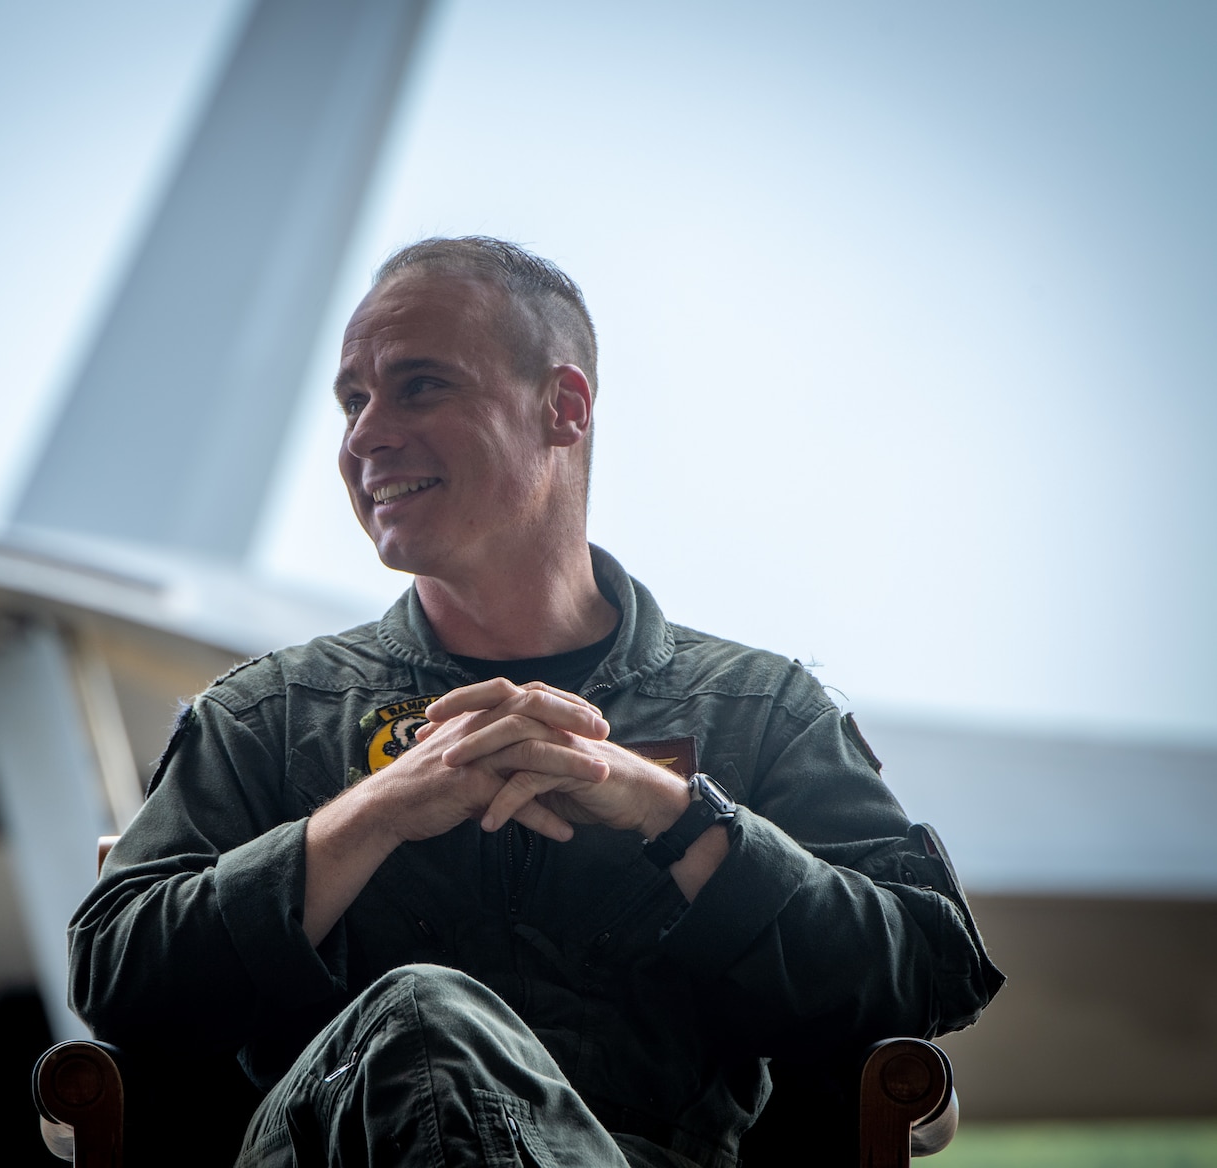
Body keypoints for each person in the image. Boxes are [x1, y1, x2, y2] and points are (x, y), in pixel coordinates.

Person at [68, 236, 1002, 1168]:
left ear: (564, 407)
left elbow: (926, 967)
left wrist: (673, 813)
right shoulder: (267, 717)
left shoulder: (759, 712)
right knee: (420, 1025)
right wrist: (371, 814)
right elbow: (116, 975)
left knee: (427, 1023)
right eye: (353, 400)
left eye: (419, 386)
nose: (364, 436)